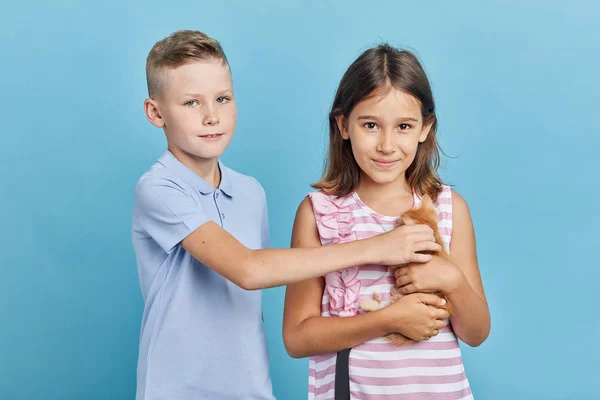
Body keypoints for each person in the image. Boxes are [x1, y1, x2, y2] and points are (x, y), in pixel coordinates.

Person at [132, 31, 442, 400]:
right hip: (177, 390)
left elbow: (259, 291)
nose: (212, 116)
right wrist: (377, 247)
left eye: (222, 99)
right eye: (191, 103)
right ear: (156, 112)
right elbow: (250, 270)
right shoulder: (158, 189)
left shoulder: (250, 192)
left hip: (251, 390)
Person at [283, 44, 490, 399]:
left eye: (404, 126)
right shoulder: (318, 214)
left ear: (425, 128)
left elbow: (476, 332)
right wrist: (389, 319)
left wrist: (453, 280)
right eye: (370, 125)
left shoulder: (449, 208)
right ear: (343, 125)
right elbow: (297, 338)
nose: (387, 145)